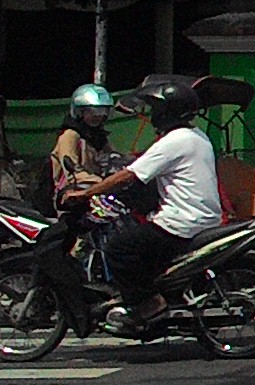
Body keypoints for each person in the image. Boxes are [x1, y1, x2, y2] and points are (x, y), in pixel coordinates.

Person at [63, 81, 221, 332]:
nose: (152, 116)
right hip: (202, 218)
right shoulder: (196, 136)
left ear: (168, 111)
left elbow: (129, 175)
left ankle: (147, 304)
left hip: (181, 223)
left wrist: (87, 194)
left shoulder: (174, 141)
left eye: (156, 109)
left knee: (117, 247)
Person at [45, 84, 116, 203]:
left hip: (95, 192)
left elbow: (114, 156)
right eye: (92, 111)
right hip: (73, 194)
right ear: (79, 112)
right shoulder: (70, 135)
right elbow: (72, 172)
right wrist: (103, 183)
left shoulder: (99, 137)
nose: (97, 116)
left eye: (102, 111)